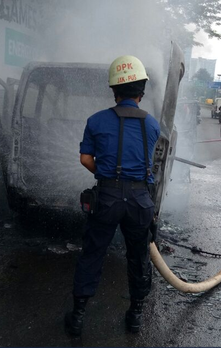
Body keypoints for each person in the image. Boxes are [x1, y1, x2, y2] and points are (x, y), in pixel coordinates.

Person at [66, 55, 160, 337]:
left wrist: (105, 175)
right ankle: (135, 316)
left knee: (93, 254)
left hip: (107, 197)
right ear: (141, 93)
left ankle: (78, 317)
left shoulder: (96, 120)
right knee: (138, 256)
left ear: (114, 91)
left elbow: (85, 159)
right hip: (140, 200)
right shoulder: (153, 125)